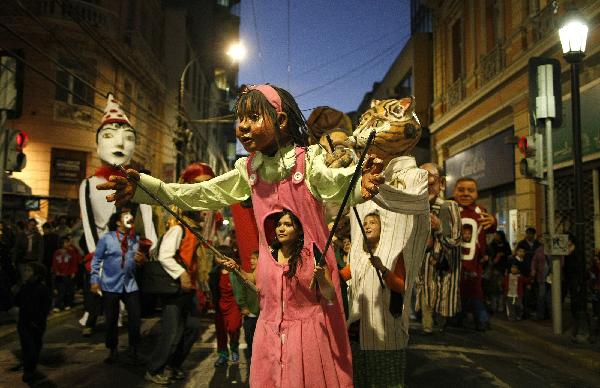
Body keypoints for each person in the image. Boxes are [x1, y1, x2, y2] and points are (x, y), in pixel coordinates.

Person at [99, 83, 384, 387]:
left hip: (313, 303)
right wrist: (145, 188)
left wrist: (358, 184)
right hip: (272, 308)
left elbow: (335, 183)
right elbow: (200, 194)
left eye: (252, 118)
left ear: (281, 121)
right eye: (239, 119)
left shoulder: (307, 162)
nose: (242, 128)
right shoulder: (249, 170)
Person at [79, 93, 157, 326]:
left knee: (128, 288)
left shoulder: (137, 182)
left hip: (131, 250)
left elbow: (148, 220)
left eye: (128, 137)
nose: (120, 143)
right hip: (104, 250)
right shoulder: (88, 185)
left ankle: (125, 317)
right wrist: (97, 257)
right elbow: (89, 226)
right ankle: (97, 314)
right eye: (109, 135)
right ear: (97, 142)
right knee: (100, 286)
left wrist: (148, 247)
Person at [145, 213, 203, 385]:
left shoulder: (193, 231)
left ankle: (173, 365)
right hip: (174, 288)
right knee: (171, 332)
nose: (204, 214)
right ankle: (154, 369)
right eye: (200, 210)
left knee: (192, 327)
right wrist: (182, 273)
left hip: (188, 288)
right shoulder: (179, 229)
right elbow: (164, 255)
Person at [90, 210, 145, 364]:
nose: (130, 218)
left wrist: (141, 261)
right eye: (125, 216)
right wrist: (94, 281)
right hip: (110, 285)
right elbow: (96, 261)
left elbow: (138, 264)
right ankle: (112, 350)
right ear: (118, 222)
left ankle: (134, 349)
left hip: (130, 284)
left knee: (135, 318)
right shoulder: (106, 239)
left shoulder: (136, 239)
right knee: (111, 319)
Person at [415, 163, 462, 333]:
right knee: (426, 295)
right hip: (423, 270)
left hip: (443, 271)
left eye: (430, 183)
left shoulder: (449, 207)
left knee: (441, 300)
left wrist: (440, 227)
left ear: (441, 183)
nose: (426, 188)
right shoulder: (417, 208)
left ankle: (439, 324)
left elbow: (456, 240)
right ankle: (428, 325)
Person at [453, 177, 496, 331]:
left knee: (475, 292)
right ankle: (459, 317)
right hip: (454, 263)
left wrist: (493, 221)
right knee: (457, 292)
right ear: (454, 192)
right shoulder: (451, 209)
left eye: (470, 190)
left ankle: (481, 319)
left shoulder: (480, 212)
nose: (465, 194)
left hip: (474, 264)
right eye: (461, 190)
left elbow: (490, 228)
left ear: (477, 193)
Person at [12, 262, 51, 383]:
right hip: (24, 322)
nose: (26, 273)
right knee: (27, 346)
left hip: (37, 323)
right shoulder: (24, 287)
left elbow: (45, 307)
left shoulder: (42, 289)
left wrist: (38, 320)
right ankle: (28, 371)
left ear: (36, 274)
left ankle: (31, 368)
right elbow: (17, 302)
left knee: (35, 346)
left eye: (29, 271)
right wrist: (16, 292)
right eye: (26, 270)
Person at [210, 245, 244, 367]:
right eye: (216, 256)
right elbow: (213, 290)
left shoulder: (236, 271)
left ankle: (234, 347)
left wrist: (244, 305)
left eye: (220, 256)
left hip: (234, 305)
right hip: (220, 306)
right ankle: (223, 354)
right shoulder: (214, 273)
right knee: (221, 331)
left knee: (234, 328)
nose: (218, 259)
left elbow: (243, 288)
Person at [233, 250, 260, 364]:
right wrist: (243, 306)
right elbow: (240, 291)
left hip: (263, 314)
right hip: (251, 313)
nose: (251, 261)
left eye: (255, 258)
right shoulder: (247, 275)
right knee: (250, 337)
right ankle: (252, 358)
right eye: (251, 258)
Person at [51, 235, 81, 312]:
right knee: (61, 290)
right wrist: (56, 271)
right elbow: (54, 263)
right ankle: (58, 305)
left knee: (69, 290)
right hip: (60, 275)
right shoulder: (57, 252)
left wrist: (73, 272)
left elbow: (74, 263)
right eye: (66, 242)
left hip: (68, 273)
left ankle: (68, 303)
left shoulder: (71, 251)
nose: (67, 244)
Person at [486, 230, 512, 313]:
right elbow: (490, 257)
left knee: (501, 288)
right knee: (494, 288)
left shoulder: (506, 245)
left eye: (497, 235)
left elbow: (509, 255)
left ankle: (501, 305)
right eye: (495, 235)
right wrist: (496, 257)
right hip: (494, 268)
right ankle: (494, 305)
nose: (496, 237)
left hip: (503, 269)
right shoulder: (492, 245)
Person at [530, 242, 551, 320]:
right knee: (542, 295)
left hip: (552, 277)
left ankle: (550, 313)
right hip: (542, 276)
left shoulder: (554, 248)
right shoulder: (539, 250)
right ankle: (541, 314)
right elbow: (534, 261)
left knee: (549, 296)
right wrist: (533, 270)